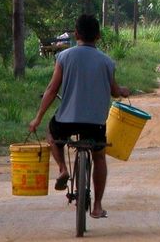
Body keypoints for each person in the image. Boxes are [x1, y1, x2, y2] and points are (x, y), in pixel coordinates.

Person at [29, 14, 130, 219]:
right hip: (94, 123)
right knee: (99, 156)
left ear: (76, 34)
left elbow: (51, 89)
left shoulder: (64, 57)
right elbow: (114, 90)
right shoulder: (107, 61)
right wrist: (123, 91)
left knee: (52, 133)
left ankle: (63, 168)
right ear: (99, 36)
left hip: (66, 120)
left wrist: (38, 118)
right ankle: (98, 206)